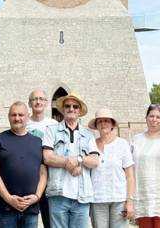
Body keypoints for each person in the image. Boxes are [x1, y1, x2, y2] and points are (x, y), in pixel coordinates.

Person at [42, 92, 100, 228]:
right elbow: (47, 157)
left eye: (75, 106)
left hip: (82, 195)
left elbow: (95, 160)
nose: (71, 109)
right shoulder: (51, 130)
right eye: (67, 106)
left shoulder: (88, 134)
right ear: (62, 109)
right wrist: (67, 163)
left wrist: (79, 159)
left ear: (79, 111)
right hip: (58, 194)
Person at [0, 101, 47, 228]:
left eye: (21, 115)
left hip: (31, 208)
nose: (17, 118)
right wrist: (9, 199)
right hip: (5, 209)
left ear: (27, 116)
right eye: (13, 115)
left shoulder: (37, 142)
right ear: (9, 117)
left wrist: (36, 197)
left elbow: (43, 173)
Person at [88, 109, 135, 228]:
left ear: (112, 124)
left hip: (119, 199)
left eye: (106, 121)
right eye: (100, 121)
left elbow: (130, 176)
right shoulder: (90, 144)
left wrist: (129, 202)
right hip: (97, 199)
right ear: (96, 126)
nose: (103, 124)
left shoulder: (122, 144)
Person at [26, 89, 58, 228]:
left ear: (46, 103)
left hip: (50, 177)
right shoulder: (24, 123)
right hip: (29, 176)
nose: (38, 102)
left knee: (49, 220)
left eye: (41, 99)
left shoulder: (54, 125)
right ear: (29, 103)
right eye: (34, 99)